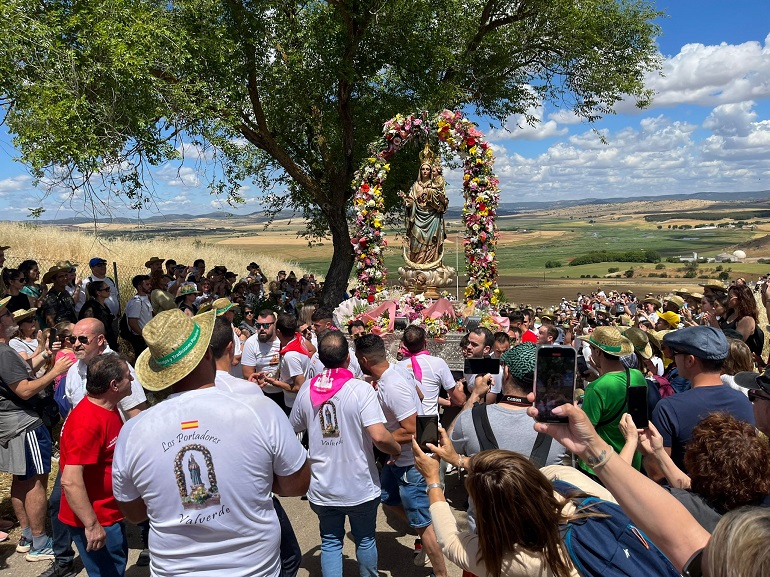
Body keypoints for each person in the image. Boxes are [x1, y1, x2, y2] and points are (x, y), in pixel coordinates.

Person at [112, 309, 310, 576]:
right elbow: (297, 482)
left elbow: (134, 512)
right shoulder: (258, 410)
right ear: (207, 354)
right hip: (253, 568)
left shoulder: (133, 432)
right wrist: (260, 480)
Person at [527, 397, 770, 577]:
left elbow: (616, 498)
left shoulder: (682, 502)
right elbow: (686, 537)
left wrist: (625, 442)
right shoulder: (753, 514)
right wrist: (657, 452)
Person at [412, 430, 612, 577]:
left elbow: (449, 541)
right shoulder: (567, 480)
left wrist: (432, 479)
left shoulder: (515, 560)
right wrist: (458, 460)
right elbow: (512, 472)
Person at [290, 331, 401, 577]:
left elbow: (292, 429)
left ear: (319, 356)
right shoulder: (360, 390)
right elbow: (380, 436)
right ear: (347, 358)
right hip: (358, 484)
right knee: (365, 539)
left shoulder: (308, 388)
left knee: (330, 542)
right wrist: (397, 449)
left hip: (323, 483)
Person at [354, 334, 448, 577]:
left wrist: (381, 438)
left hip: (411, 465)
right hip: (397, 461)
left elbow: (413, 428)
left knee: (422, 524)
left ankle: (441, 572)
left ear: (363, 360)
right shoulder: (397, 372)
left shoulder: (392, 385)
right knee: (388, 498)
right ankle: (428, 536)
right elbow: (419, 394)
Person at [449, 342, 566, 532]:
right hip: (538, 531)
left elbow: (448, 446)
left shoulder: (472, 418)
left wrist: (474, 397)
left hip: (485, 536)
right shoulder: (561, 427)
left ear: (507, 373)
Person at [0, 297, 74, 562]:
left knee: (21, 479)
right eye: (8, 314)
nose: (13, 319)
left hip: (10, 424)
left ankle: (29, 535)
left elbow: (17, 374)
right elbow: (24, 388)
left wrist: (43, 354)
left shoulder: (5, 352)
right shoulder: (4, 352)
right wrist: (56, 370)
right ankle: (41, 543)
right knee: (36, 481)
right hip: (24, 424)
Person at [59, 354, 132, 577]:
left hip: (109, 513)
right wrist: (91, 525)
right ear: (114, 385)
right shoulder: (87, 423)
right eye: (129, 377)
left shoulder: (108, 408)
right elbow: (70, 481)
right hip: (96, 518)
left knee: (115, 568)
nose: (133, 381)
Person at [650, 326, 755, 476]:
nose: (673, 358)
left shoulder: (668, 408)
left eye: (676, 354)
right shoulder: (744, 401)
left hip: (684, 497)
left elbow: (657, 474)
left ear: (690, 360)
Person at [578, 326, 647, 475]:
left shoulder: (595, 388)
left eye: (591, 347)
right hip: (632, 460)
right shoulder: (637, 376)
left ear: (597, 352)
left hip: (601, 467)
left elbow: (586, 432)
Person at [398, 325, 464, 415]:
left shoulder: (398, 367)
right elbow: (460, 401)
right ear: (425, 343)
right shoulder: (438, 363)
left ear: (405, 345)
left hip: (407, 423)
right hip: (428, 423)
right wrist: (461, 389)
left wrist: (447, 402)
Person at [403, 143, 448, 265]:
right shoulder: (416, 186)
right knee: (416, 243)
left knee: (431, 243)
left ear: (431, 171)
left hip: (432, 218)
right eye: (423, 169)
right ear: (420, 170)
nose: (425, 171)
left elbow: (443, 203)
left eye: (427, 169)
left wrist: (433, 197)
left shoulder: (435, 185)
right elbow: (411, 201)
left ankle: (431, 265)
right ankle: (417, 265)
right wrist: (409, 204)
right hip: (417, 218)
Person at [256, 313, 309, 414]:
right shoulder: (298, 339)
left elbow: (299, 387)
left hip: (295, 404)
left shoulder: (290, 356)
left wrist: (276, 383)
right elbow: (312, 350)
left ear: (278, 332)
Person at [241, 309, 284, 409]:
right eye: (258, 325)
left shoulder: (282, 339)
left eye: (265, 325)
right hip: (262, 392)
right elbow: (247, 373)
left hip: (284, 392)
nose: (261, 329)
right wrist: (262, 380)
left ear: (275, 325)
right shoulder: (251, 343)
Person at [720, 283, 762, 356]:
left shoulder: (747, 320)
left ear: (740, 299)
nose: (728, 299)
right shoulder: (730, 314)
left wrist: (714, 324)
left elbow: (736, 343)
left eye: (730, 297)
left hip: (737, 361)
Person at [79, 281, 117, 350]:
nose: (109, 291)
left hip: (108, 340)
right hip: (98, 343)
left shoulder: (104, 305)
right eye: (106, 289)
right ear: (98, 293)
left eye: (109, 288)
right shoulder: (90, 308)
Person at [124, 275, 152, 358]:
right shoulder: (136, 302)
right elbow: (132, 323)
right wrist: (143, 336)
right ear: (139, 287)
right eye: (147, 284)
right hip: (140, 339)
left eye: (150, 284)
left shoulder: (146, 298)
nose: (150, 286)